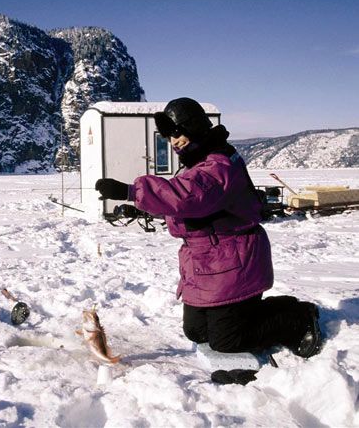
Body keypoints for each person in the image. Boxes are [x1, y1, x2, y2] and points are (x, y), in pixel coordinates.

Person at [95, 97, 322, 363]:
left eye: (177, 132)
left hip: (233, 259)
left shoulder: (218, 165)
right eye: (168, 136)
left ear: (192, 127)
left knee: (227, 340)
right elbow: (183, 204)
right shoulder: (200, 158)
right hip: (208, 262)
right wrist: (142, 207)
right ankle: (265, 311)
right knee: (197, 331)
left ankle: (296, 318)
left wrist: (131, 192)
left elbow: (189, 195)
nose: (173, 141)